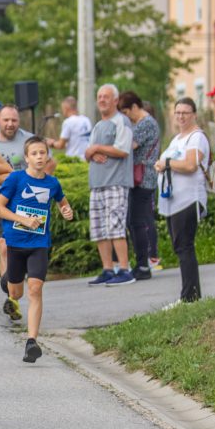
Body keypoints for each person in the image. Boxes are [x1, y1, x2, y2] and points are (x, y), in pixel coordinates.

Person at [0, 138, 72, 363]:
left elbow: (63, 203)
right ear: (26, 158)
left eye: (42, 153)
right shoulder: (16, 179)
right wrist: (23, 220)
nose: (39, 157)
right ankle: (7, 280)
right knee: (16, 293)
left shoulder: (52, 183)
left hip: (39, 244)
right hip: (16, 242)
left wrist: (66, 211)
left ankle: (31, 341)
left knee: (36, 288)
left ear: (47, 156)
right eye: (34, 153)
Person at [155, 97, 210, 304]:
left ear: (194, 115)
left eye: (185, 113)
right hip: (173, 202)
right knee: (180, 247)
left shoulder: (196, 138)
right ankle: (190, 294)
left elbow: (190, 165)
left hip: (188, 200)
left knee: (185, 246)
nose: (181, 116)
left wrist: (167, 162)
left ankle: (190, 296)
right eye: (178, 113)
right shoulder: (177, 139)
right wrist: (161, 165)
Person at [83, 83, 135, 286]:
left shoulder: (122, 121)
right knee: (99, 229)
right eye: (99, 97)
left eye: (106, 96)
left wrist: (97, 148)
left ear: (115, 100)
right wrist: (94, 152)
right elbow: (87, 153)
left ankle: (124, 269)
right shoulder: (97, 125)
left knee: (115, 227)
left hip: (116, 182)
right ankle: (107, 269)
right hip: (96, 184)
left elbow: (123, 150)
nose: (102, 100)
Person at [0, 104, 33, 287]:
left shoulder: (29, 140)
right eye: (6, 120)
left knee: (20, 247)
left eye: (14, 120)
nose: (10, 124)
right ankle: (10, 291)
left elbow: (48, 163)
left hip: (23, 201)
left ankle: (20, 280)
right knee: (3, 246)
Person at [121, 92, 158, 279]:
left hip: (143, 179)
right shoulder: (144, 123)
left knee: (136, 222)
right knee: (133, 222)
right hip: (141, 178)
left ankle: (143, 265)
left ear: (135, 107)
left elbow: (128, 146)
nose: (126, 117)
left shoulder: (146, 123)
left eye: (126, 112)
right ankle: (141, 263)